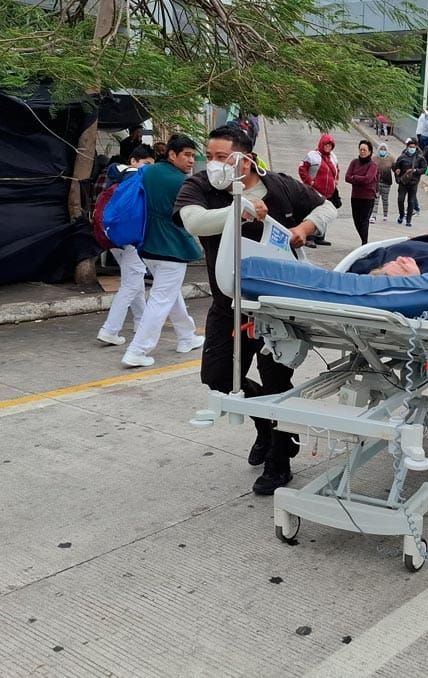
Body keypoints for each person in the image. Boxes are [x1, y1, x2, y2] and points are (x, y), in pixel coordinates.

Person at [174, 126, 336, 495]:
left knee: (276, 381)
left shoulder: (279, 186)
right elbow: (194, 221)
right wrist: (238, 208)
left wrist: (304, 227)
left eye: (221, 157)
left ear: (246, 158)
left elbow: (327, 205)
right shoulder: (201, 187)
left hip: (275, 309)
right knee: (218, 378)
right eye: (209, 156)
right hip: (228, 306)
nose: (212, 164)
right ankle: (267, 426)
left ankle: (281, 458)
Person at [121, 134, 205, 368]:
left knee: (169, 293)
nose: (191, 160)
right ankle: (137, 350)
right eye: (187, 155)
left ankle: (186, 336)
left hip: (148, 245)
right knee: (161, 298)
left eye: (193, 156)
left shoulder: (148, 171)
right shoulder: (181, 182)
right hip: (172, 247)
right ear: (172, 154)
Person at [96, 144, 155, 346]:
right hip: (131, 238)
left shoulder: (112, 175)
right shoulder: (134, 178)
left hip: (112, 236)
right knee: (131, 283)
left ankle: (141, 321)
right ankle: (110, 329)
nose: (147, 169)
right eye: (146, 164)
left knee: (134, 279)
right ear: (133, 161)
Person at [298, 133, 339, 245]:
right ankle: (309, 237)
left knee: (324, 213)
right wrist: (309, 182)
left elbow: (337, 170)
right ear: (322, 144)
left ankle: (320, 236)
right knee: (313, 212)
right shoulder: (312, 155)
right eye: (326, 144)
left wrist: (336, 181)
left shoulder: (333, 157)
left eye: (330, 145)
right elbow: (302, 168)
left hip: (328, 192)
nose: (328, 147)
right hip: (314, 191)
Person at [345, 140, 378, 245]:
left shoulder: (373, 165)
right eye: (361, 149)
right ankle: (363, 240)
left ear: (370, 152)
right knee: (356, 220)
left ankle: (364, 243)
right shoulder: (354, 162)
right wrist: (359, 179)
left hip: (368, 197)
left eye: (365, 150)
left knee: (364, 221)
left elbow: (368, 179)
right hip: (355, 196)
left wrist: (355, 177)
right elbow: (347, 177)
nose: (362, 152)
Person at [392, 138, 426, 228]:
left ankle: (408, 220)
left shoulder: (420, 158)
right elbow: (396, 168)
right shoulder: (402, 157)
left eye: (413, 147)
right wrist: (397, 176)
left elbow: (424, 169)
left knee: (411, 201)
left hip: (413, 183)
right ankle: (401, 214)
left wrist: (416, 170)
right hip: (403, 182)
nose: (412, 149)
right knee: (400, 200)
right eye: (410, 147)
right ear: (407, 147)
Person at [371, 142, 394, 223]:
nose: (383, 151)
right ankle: (373, 216)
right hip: (376, 183)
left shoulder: (391, 159)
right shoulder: (374, 158)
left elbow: (395, 169)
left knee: (385, 200)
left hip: (387, 183)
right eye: (381, 149)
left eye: (384, 149)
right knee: (375, 200)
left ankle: (385, 215)